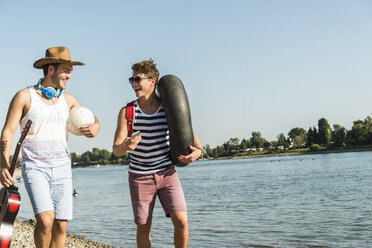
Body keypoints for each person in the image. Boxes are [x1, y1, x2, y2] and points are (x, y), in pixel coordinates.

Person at [0, 46, 101, 248]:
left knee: (61, 226)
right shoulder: (24, 96)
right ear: (51, 69)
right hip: (35, 167)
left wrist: (95, 128)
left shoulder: (68, 100)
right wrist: (3, 163)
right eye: (66, 70)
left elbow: (95, 120)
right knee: (45, 220)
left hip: (63, 168)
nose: (70, 76)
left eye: (71, 71)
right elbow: (8, 132)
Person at [113, 59, 201, 248]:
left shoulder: (168, 108)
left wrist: (197, 153)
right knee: (144, 228)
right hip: (139, 177)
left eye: (137, 79)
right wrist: (126, 145)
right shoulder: (128, 112)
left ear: (153, 81)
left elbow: (195, 142)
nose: (133, 84)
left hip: (167, 173)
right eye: (131, 80)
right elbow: (116, 149)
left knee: (182, 222)